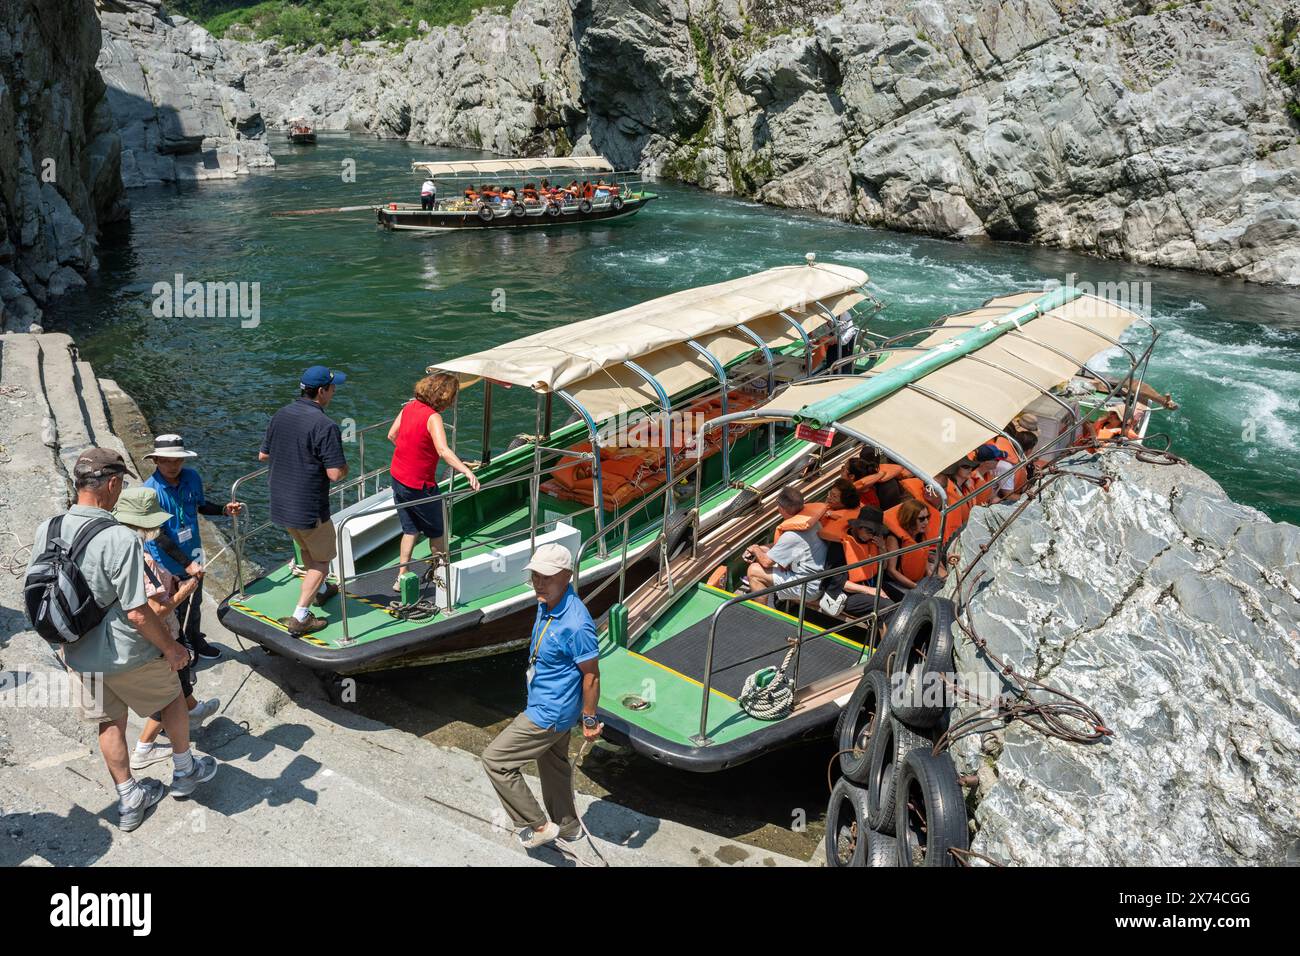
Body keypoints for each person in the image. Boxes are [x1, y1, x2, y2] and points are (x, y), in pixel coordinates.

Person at [27, 449, 217, 831]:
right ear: (112, 484)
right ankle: (184, 771)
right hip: (126, 652)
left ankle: (129, 798)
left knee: (109, 722)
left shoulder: (46, 527)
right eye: (121, 485)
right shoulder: (117, 537)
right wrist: (171, 647)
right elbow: (137, 611)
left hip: (78, 651)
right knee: (173, 699)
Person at [481, 544, 600, 850]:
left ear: (567, 576)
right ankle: (570, 827)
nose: (538, 581)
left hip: (549, 712)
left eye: (546, 576)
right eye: (535, 575)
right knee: (553, 765)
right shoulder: (547, 601)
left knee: (496, 760)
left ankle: (536, 825)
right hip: (545, 701)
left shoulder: (577, 624)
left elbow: (592, 674)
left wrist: (589, 719)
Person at [110, 488, 221, 771]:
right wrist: (186, 589)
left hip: (135, 638)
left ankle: (194, 709)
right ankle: (147, 750)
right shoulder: (138, 557)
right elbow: (155, 611)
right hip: (158, 639)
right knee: (168, 696)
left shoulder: (114, 546)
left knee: (179, 684)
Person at [259, 365, 349, 636]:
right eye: (333, 388)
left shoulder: (280, 415)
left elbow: (263, 455)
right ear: (322, 391)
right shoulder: (325, 425)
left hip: (280, 503)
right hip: (309, 507)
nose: (334, 392)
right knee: (323, 561)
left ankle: (321, 590)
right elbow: (335, 474)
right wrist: (345, 469)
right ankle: (301, 616)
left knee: (307, 550)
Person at [143, 433, 244, 660]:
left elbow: (200, 505)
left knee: (194, 603)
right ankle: (177, 648)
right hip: (166, 564)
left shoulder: (192, 477)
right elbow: (157, 536)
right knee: (172, 609)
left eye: (178, 460)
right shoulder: (149, 492)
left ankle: (195, 639)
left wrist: (223, 510)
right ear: (156, 461)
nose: (173, 466)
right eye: (167, 461)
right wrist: (187, 565)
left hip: (193, 553)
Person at [386, 372, 480, 591]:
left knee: (410, 529)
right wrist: (466, 471)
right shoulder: (433, 418)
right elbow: (442, 450)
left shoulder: (409, 407)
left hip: (398, 478)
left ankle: (402, 576)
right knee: (437, 532)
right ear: (446, 398)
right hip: (420, 485)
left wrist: (409, 454)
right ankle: (442, 575)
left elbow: (392, 435)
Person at [745, 487, 828, 605]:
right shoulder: (812, 522)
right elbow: (783, 546)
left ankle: (761, 612)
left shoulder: (791, 535)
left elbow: (766, 562)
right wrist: (761, 548)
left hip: (808, 588)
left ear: (781, 508)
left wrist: (755, 548)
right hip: (819, 581)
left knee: (754, 570)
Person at [882, 497, 932, 590]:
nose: (926, 522)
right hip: (897, 584)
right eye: (921, 519)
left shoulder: (920, 534)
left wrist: (932, 581)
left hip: (918, 582)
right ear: (910, 519)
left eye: (927, 517)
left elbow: (925, 563)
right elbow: (891, 571)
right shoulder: (894, 539)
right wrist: (916, 588)